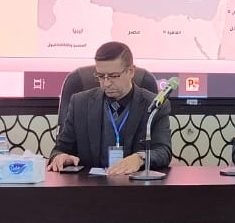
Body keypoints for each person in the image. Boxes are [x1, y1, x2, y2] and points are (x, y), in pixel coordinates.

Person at [49, 41, 173, 175]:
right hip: (89, 185)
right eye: (101, 76)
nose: (106, 83)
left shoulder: (155, 106)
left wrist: (140, 158)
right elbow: (59, 150)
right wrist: (60, 157)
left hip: (134, 185)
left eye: (113, 76)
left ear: (131, 71)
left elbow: (163, 151)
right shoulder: (79, 103)